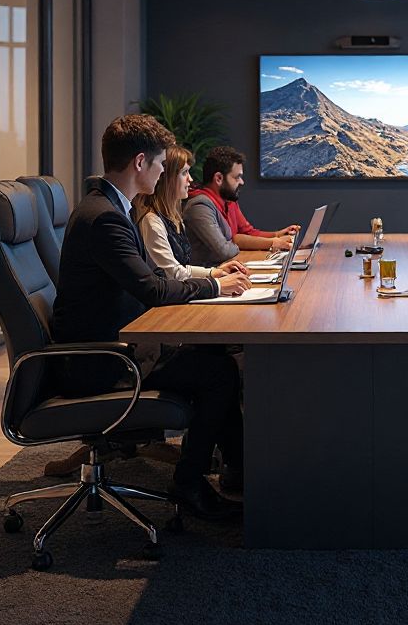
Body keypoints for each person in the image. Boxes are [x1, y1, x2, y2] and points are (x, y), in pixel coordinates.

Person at [52, 114, 243, 521]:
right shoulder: (105, 218)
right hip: (104, 362)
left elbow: (150, 280)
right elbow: (152, 290)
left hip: (111, 347)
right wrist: (214, 286)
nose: (162, 172)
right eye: (159, 164)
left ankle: (239, 472)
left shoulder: (107, 208)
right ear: (140, 163)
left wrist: (209, 281)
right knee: (220, 373)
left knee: (213, 360)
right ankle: (190, 484)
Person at [134, 144, 252, 296]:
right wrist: (216, 283)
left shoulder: (173, 217)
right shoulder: (152, 221)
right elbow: (172, 274)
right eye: (184, 173)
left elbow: (182, 268)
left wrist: (214, 272)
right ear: (167, 178)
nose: (190, 179)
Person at [184, 145, 300, 265]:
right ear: (218, 178)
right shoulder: (200, 206)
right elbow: (224, 250)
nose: (242, 182)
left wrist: (277, 235)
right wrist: (240, 241)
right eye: (237, 177)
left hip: (231, 268)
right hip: (213, 273)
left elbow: (247, 233)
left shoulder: (229, 200)